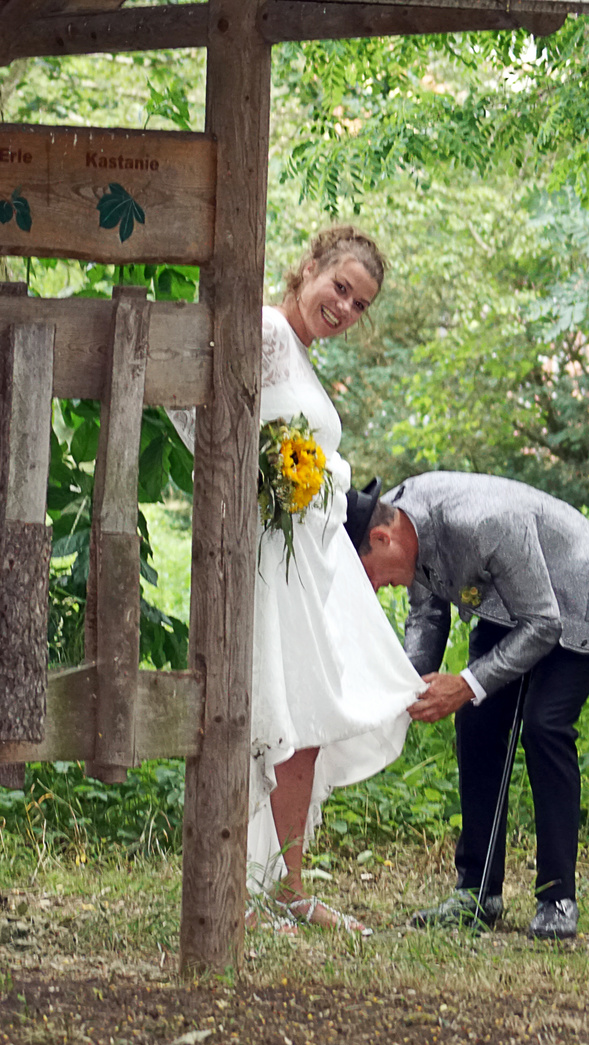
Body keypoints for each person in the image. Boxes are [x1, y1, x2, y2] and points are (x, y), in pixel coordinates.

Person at [169, 226, 424, 933]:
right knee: (263, 716)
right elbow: (190, 404)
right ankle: (235, 883)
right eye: (339, 288)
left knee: (305, 721)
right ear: (307, 268)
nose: (344, 308)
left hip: (308, 565)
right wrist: (250, 476)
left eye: (360, 304)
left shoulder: (303, 358)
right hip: (267, 558)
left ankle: (289, 885)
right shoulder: (266, 330)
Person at [350, 472, 589, 939]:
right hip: (508, 598)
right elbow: (427, 612)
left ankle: (557, 898)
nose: (375, 588)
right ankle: (478, 893)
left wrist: (466, 683)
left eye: (370, 575)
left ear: (381, 538)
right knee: (477, 719)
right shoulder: (399, 520)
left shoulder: (481, 523)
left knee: (544, 724)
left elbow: (545, 624)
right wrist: (408, 685)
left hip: (578, 592)